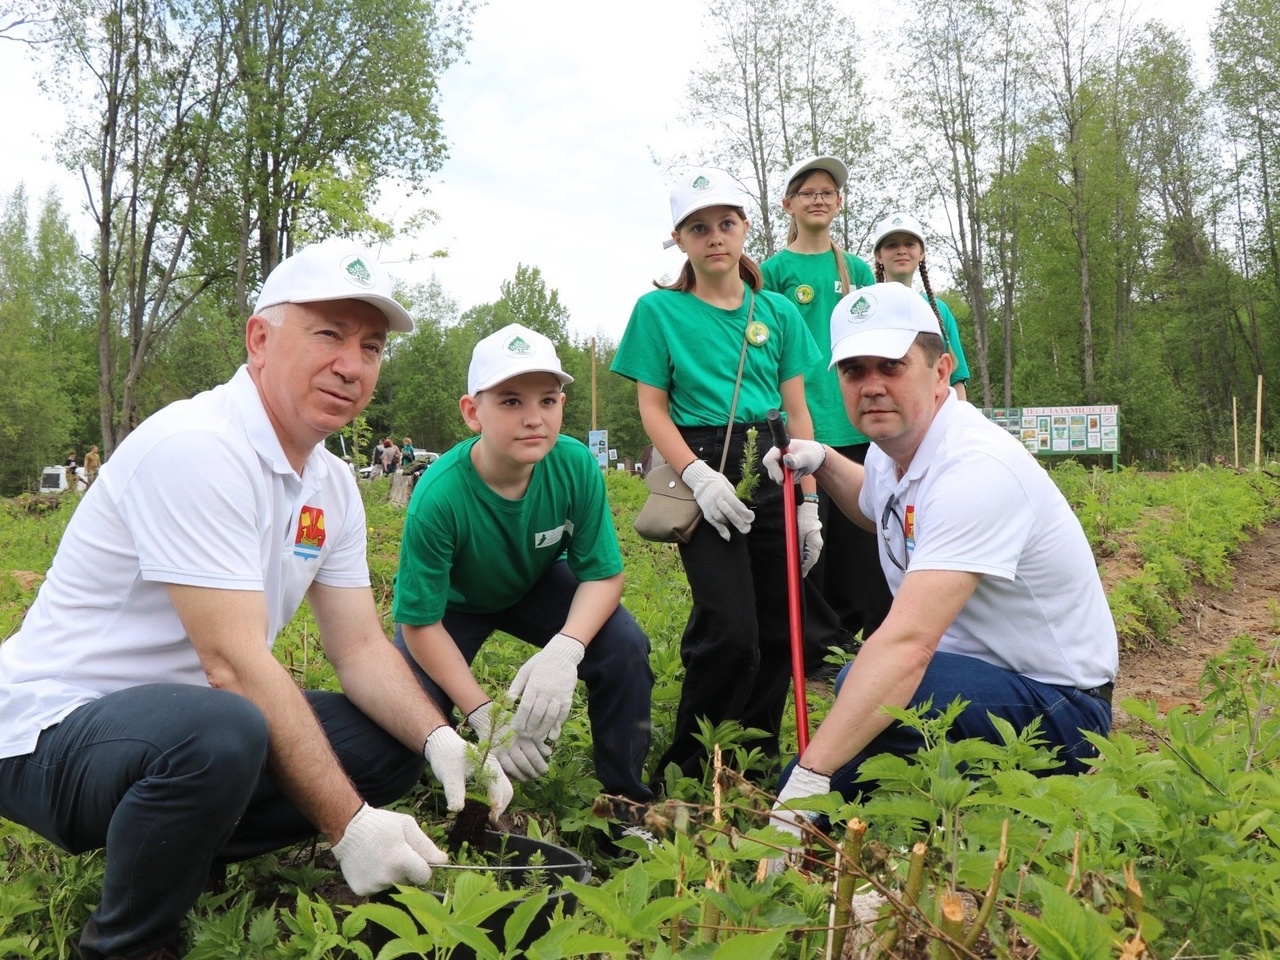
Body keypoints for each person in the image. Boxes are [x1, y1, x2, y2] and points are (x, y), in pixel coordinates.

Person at [0, 239, 512, 960]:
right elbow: (233, 665)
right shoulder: (198, 446)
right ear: (260, 339)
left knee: (391, 739)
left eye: (369, 346)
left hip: (179, 725)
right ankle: (128, 944)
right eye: (328, 333)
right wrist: (349, 825)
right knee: (221, 729)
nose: (352, 364)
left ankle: (181, 845)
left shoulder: (330, 486)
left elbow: (361, 648)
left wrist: (440, 740)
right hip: (52, 730)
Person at [764, 282, 1118, 841]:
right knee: (874, 696)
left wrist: (808, 778)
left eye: (892, 365)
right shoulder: (898, 448)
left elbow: (907, 647)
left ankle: (797, 834)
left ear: (940, 370)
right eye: (854, 370)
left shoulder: (975, 469)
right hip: (984, 679)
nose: (872, 386)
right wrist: (824, 459)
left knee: (879, 685)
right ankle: (844, 825)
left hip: (1062, 707)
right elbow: (873, 505)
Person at [392, 322, 656, 833]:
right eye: (511, 401)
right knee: (403, 708)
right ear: (473, 411)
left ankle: (625, 806)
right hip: (455, 606)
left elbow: (602, 576)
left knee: (624, 647)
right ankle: (446, 796)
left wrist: (566, 649)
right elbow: (419, 625)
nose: (535, 418)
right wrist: (484, 715)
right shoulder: (439, 497)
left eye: (549, 400)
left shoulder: (575, 465)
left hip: (535, 583)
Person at [611, 168, 822, 789]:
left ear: (746, 228)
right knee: (730, 630)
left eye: (726, 223)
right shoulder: (659, 311)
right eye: (698, 227)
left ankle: (750, 768)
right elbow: (652, 407)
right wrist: (697, 473)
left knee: (781, 631)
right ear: (679, 239)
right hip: (700, 462)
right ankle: (689, 769)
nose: (715, 237)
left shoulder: (778, 312)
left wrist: (809, 500)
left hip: (775, 459)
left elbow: (798, 407)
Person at [761, 156, 884, 677]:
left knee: (861, 543)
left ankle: (865, 642)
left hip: (849, 423)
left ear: (839, 203)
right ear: (788, 204)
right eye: (806, 191)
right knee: (810, 541)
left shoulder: (853, 269)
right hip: (799, 422)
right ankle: (816, 650)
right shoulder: (772, 271)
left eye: (827, 192)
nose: (818, 199)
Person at [870, 212, 970, 401]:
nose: (901, 250)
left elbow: (956, 379)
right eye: (892, 245)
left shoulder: (939, 310)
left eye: (909, 244)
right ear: (879, 256)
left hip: (933, 420)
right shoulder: (868, 309)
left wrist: (958, 426)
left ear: (921, 253)